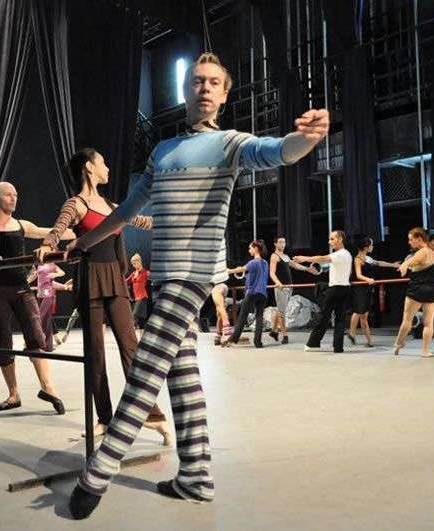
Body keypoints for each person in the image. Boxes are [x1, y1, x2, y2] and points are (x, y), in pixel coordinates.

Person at [61, 52, 329, 519]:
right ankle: (195, 477)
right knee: (183, 378)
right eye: (197, 81)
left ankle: (99, 472)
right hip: (165, 277)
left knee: (145, 369)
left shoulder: (232, 143)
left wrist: (305, 139)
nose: (204, 88)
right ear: (186, 91)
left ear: (224, 95)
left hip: (194, 274)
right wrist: (84, 243)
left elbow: (276, 151)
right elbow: (124, 212)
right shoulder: (162, 152)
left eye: (213, 83)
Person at [36, 148, 172, 444]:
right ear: (89, 167)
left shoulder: (112, 205)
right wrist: (48, 243)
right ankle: (105, 417)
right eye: (103, 162)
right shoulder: (77, 203)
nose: (108, 167)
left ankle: (148, 411)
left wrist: (173, 220)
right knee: (95, 353)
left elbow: (142, 222)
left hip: (114, 277)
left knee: (130, 346)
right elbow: (59, 227)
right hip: (90, 278)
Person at [0, 181, 69, 414]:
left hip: (21, 289)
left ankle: (49, 388)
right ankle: (13, 394)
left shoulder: (21, 224)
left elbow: (51, 232)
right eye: (8, 194)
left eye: (16, 194)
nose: (14, 198)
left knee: (36, 336)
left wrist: (86, 229)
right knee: (1, 342)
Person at [294, 231, 352, 354]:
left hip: (335, 289)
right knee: (340, 319)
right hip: (345, 288)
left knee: (323, 316)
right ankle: (338, 347)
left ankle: (313, 343)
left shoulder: (340, 254)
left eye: (332, 239)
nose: (329, 242)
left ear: (340, 239)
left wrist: (305, 258)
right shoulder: (347, 254)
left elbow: (322, 258)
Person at [392, 228, 434, 357]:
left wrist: (403, 266)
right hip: (432, 290)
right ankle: (425, 351)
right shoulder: (432, 252)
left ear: (419, 239)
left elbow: (410, 261)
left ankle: (398, 343)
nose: (409, 242)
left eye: (411, 239)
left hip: (417, 290)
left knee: (407, 321)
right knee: (429, 323)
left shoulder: (422, 251)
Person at [347, 235, 399, 347]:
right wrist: (368, 279)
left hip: (366, 289)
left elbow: (379, 263)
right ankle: (353, 333)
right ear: (366, 247)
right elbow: (358, 274)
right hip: (359, 289)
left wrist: (393, 265)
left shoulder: (368, 258)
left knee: (363, 315)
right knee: (359, 312)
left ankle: (368, 341)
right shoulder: (358, 259)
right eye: (371, 244)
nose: (373, 246)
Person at [268, 236, 320, 344]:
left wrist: (307, 269)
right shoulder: (274, 256)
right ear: (275, 244)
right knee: (282, 312)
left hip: (289, 287)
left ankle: (273, 331)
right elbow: (272, 273)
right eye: (280, 242)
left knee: (281, 310)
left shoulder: (285, 256)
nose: (283, 244)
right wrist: (277, 282)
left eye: (284, 242)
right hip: (281, 287)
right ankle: (285, 335)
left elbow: (295, 265)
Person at [223, 240, 269, 348]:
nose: (249, 250)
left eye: (250, 248)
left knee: (242, 317)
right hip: (263, 293)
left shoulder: (253, 262)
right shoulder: (265, 263)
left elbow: (241, 269)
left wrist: (227, 271)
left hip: (252, 292)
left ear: (256, 248)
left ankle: (234, 339)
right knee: (259, 317)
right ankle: (258, 342)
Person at [126, 253, 150, 329]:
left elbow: (153, 277)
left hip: (142, 297)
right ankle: (139, 335)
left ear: (139, 262)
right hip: (136, 298)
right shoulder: (133, 274)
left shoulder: (145, 272)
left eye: (135, 263)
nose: (133, 265)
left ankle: (133, 328)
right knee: (141, 320)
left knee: (134, 314)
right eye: (132, 264)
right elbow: (126, 282)